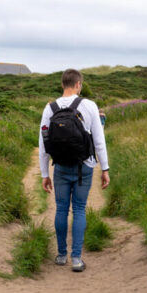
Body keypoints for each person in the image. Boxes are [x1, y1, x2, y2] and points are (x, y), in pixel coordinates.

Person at [39, 68, 110, 272]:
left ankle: (61, 255)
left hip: (60, 166)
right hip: (84, 166)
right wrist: (105, 168)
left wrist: (45, 174)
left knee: (61, 209)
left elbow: (43, 144)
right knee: (79, 209)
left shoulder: (49, 108)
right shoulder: (89, 106)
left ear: (63, 84)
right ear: (78, 84)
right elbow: (99, 140)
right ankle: (77, 259)